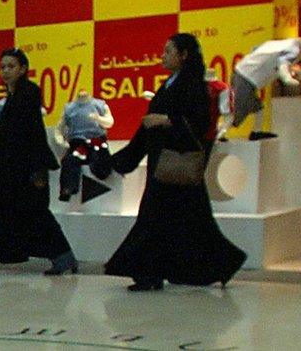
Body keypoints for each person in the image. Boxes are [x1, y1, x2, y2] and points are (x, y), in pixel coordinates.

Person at [105, 33, 246, 291]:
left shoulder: (193, 85)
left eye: (169, 51)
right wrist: (127, 156)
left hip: (174, 161)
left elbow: (200, 121)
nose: (163, 55)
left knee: (155, 218)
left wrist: (165, 120)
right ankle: (220, 263)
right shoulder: (171, 82)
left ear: (184, 55)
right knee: (193, 221)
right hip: (166, 162)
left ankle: (149, 274)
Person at [0, 48, 77, 276]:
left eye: (11, 66)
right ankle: (62, 258)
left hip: (23, 169)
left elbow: (32, 133)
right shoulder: (15, 96)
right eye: (3, 67)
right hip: (13, 168)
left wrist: (38, 168)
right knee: (18, 215)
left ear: (23, 69)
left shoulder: (27, 94)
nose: (6, 71)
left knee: (25, 215)